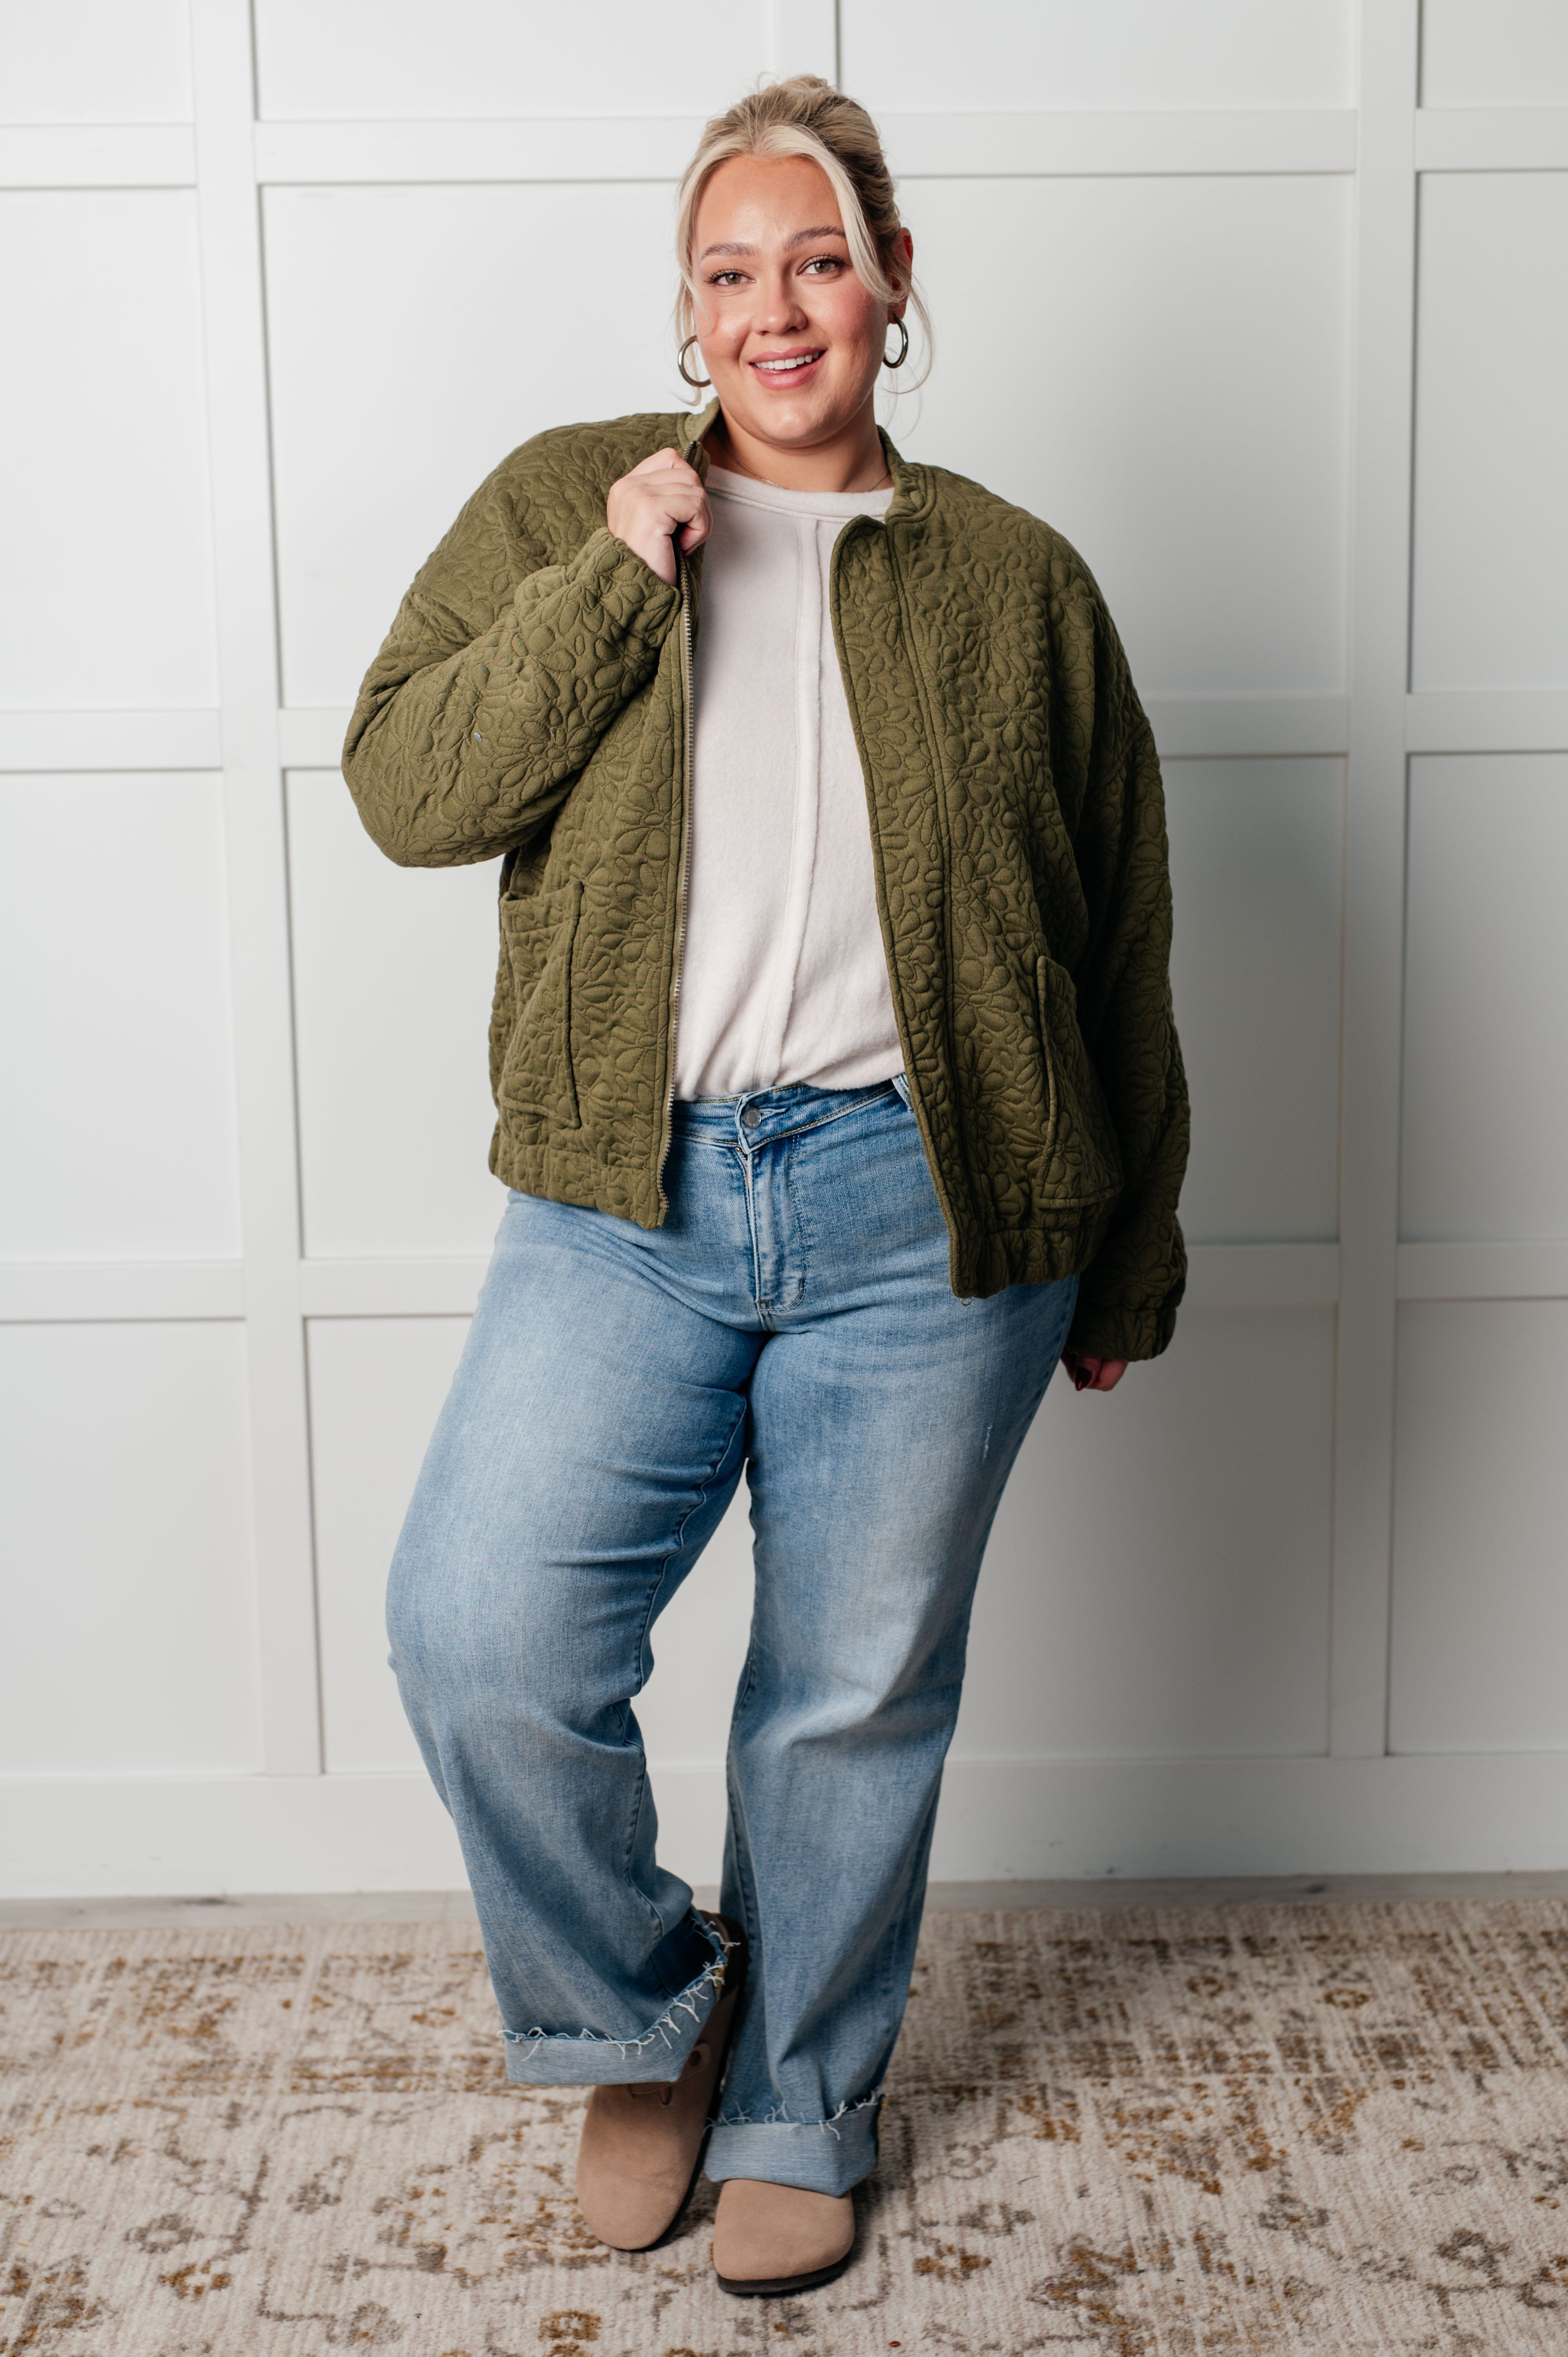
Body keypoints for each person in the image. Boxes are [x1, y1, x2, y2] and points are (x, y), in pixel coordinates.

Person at [343, 74, 1187, 2301]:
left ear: (893, 285)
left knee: (851, 1687)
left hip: (937, 1206)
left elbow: (1115, 931)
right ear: (689, 304)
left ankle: (809, 2095)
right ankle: (653, 2007)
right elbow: (407, 789)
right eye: (730, 270)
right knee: (482, 1634)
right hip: (630, 1193)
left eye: (819, 258)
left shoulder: (1017, 580)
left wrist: (1134, 1246)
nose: (775, 307)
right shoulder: (567, 500)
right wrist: (615, 582)